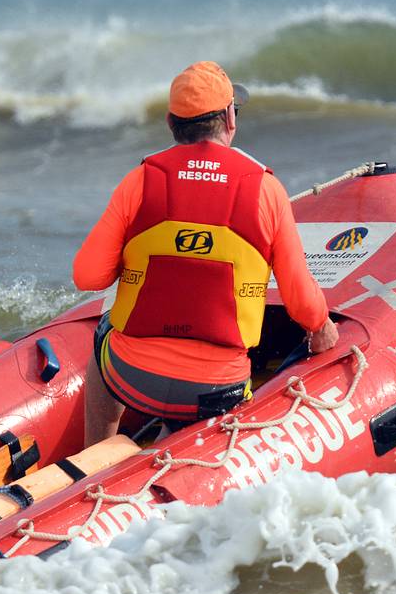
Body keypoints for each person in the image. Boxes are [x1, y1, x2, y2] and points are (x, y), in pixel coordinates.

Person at [74, 61, 338, 445]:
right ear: (230, 118)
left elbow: (88, 277)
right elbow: (301, 301)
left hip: (131, 378)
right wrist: (322, 328)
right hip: (217, 392)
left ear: (170, 123)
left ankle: (94, 455)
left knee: (105, 330)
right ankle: (175, 436)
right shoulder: (265, 189)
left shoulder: (140, 181)